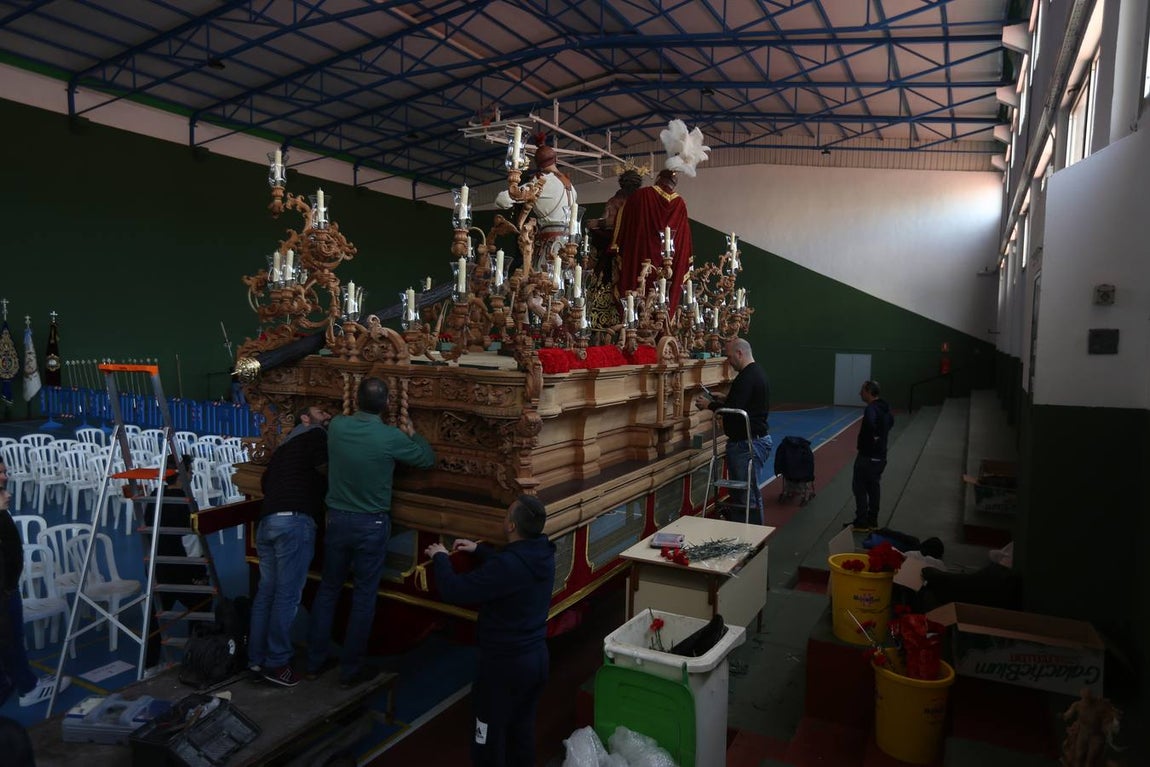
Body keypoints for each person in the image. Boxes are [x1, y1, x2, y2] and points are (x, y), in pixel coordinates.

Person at [306, 377, 436, 687]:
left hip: (336, 520)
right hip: (371, 525)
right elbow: (427, 459)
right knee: (364, 597)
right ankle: (350, 670)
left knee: (328, 590)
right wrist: (413, 434)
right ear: (387, 404)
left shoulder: (337, 425)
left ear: (357, 399)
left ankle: (313, 661)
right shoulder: (389, 436)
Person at [424, 495, 556, 767]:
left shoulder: (507, 566)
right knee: (521, 731)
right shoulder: (543, 553)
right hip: (536, 659)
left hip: (504, 667)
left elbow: (455, 590)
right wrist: (480, 551)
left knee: (487, 738)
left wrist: (440, 558)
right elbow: (513, 568)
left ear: (510, 526)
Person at [248, 403, 331, 687]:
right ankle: (278, 663)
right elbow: (326, 470)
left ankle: (256, 659)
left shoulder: (284, 448)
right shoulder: (316, 435)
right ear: (305, 419)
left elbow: (265, 482)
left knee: (266, 594)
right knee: (286, 596)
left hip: (268, 522)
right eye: (321, 412)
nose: (327, 416)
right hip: (294, 522)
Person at [0, 460, 72, 707]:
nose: (5, 478)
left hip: (8, 588)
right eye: (0, 473)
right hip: (4, 592)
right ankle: (28, 689)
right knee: (11, 640)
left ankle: (23, 681)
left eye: (5, 471)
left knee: (11, 641)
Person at [694, 338, 772, 525]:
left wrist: (709, 404)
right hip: (753, 441)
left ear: (739, 353)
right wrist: (724, 398)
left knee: (747, 497)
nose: (729, 361)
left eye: (729, 356)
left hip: (746, 444)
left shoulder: (746, 377)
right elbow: (744, 403)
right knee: (745, 494)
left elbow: (736, 411)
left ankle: (753, 537)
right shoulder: (756, 373)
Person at [611, 168, 693, 313]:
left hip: (639, 260)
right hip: (668, 268)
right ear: (674, 184)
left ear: (658, 178)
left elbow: (624, 223)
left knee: (634, 300)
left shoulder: (641, 195)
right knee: (662, 302)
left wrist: (617, 246)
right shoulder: (680, 204)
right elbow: (684, 242)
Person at [494, 144, 577, 269]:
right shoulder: (571, 187)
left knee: (540, 283)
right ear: (556, 159)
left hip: (549, 246)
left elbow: (501, 200)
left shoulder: (540, 183)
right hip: (568, 246)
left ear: (538, 165)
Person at [849, 380, 894, 531]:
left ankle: (861, 522)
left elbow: (871, 423)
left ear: (868, 391)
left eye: (862, 390)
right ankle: (872, 521)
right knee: (874, 487)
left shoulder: (871, 409)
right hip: (881, 456)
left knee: (859, 487)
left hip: (867, 456)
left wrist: (873, 438)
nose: (860, 393)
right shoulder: (885, 407)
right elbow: (891, 423)